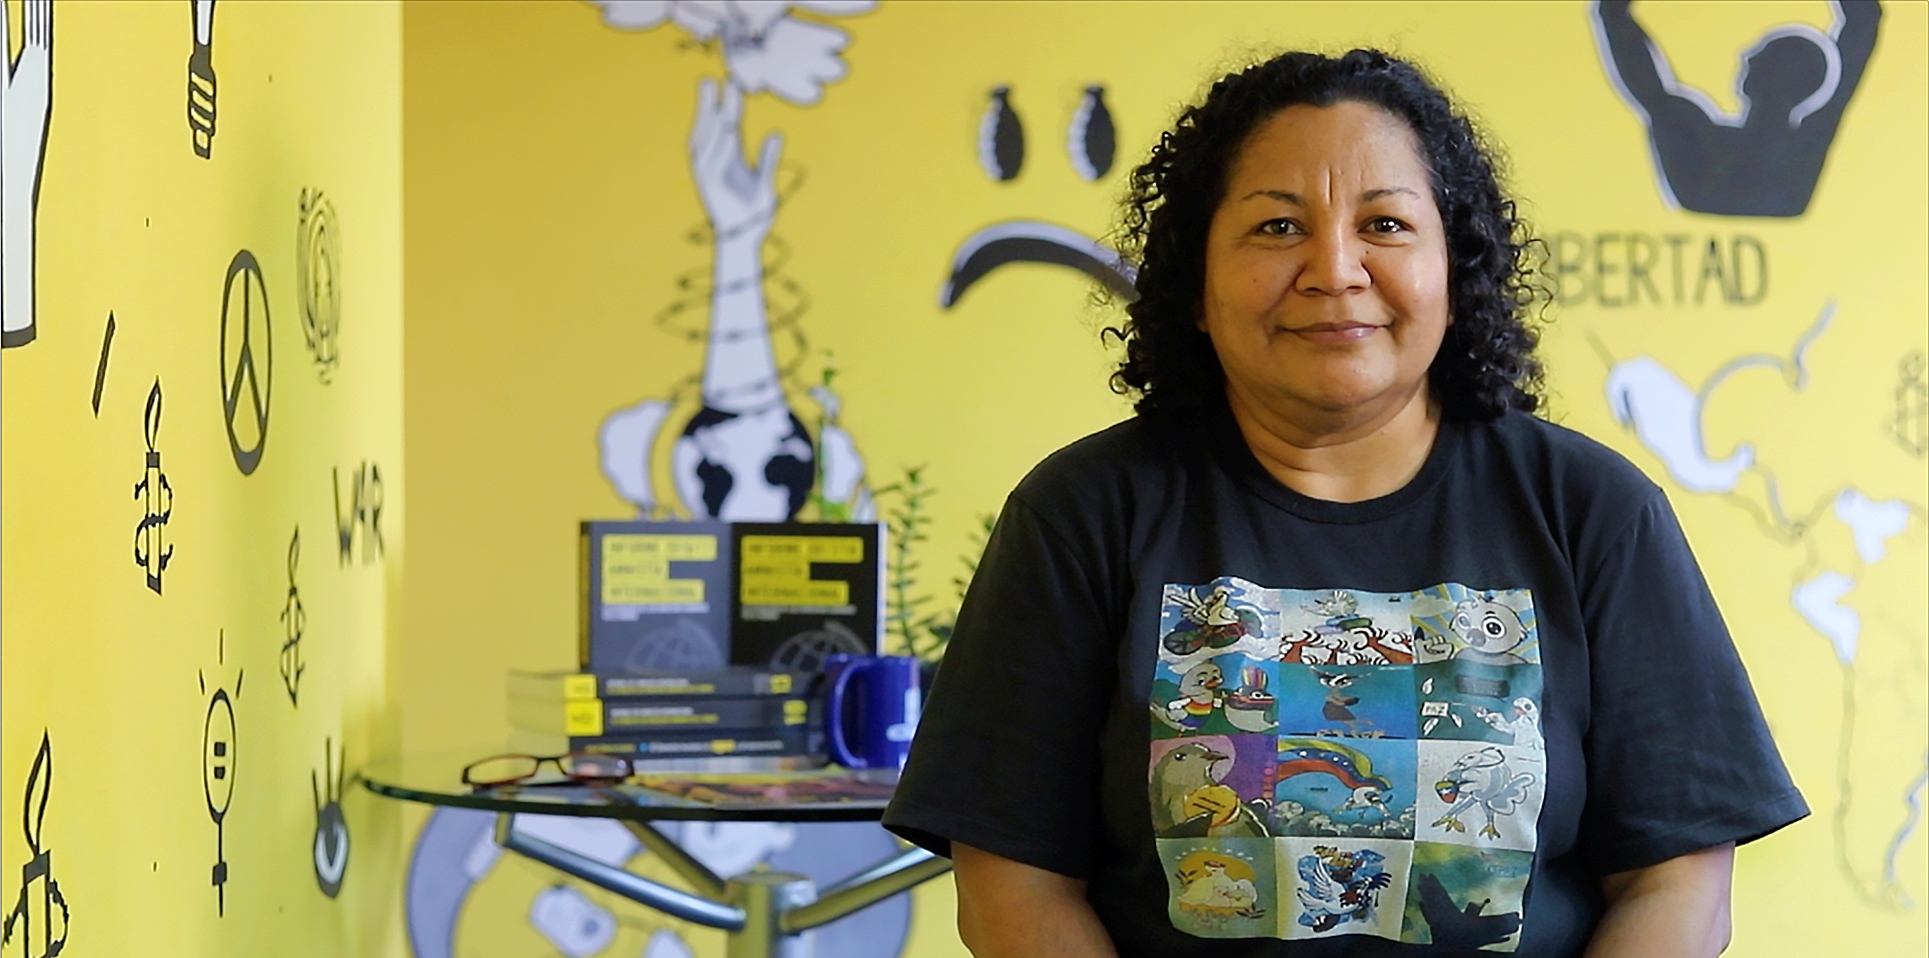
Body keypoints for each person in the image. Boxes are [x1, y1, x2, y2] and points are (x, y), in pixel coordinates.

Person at [881, 49, 1806, 957]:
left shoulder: (1590, 509)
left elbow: (1677, 884)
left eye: (1385, 224)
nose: (1333, 269)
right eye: (1277, 227)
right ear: (1195, 284)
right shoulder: (1081, 514)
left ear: (1455, 272)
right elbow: (1013, 888)